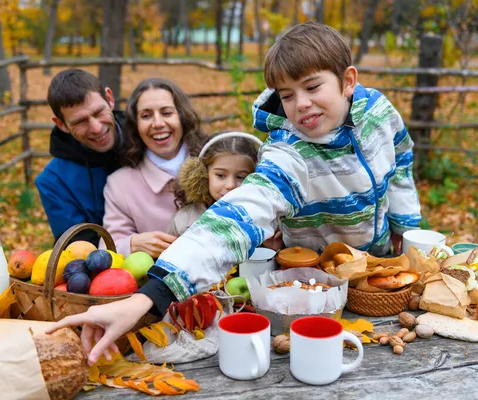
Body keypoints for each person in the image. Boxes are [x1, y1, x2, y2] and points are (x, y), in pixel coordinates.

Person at [48, 22, 421, 364]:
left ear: (347, 80)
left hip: (380, 267)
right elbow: (234, 220)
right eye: (287, 95)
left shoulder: (379, 112)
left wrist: (405, 225)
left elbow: (401, 158)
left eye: (312, 87)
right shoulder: (289, 153)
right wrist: (150, 296)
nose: (301, 104)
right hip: (313, 282)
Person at [100, 78, 209, 258]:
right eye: (146, 116)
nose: (157, 123)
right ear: (136, 125)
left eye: (167, 113)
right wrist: (132, 243)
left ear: (182, 116)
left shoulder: (213, 162)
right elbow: (107, 248)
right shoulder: (119, 185)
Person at [36, 69, 124, 246]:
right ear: (61, 124)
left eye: (99, 112)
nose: (96, 128)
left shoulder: (147, 139)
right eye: (80, 121)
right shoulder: (53, 182)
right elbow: (80, 247)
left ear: (110, 98)